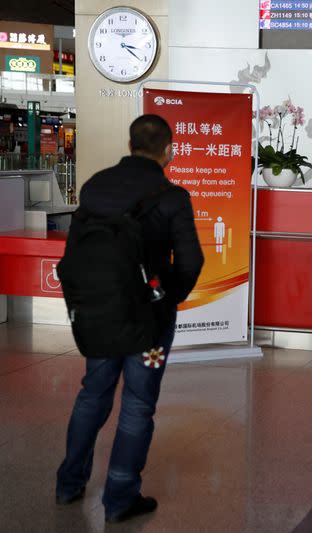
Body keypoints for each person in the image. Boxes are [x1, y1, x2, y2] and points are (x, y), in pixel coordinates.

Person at [55, 115, 204, 522]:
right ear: (169, 150)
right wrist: (167, 300)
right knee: (137, 404)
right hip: (148, 323)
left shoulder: (94, 186)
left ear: (130, 143)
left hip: (97, 312)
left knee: (93, 393)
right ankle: (120, 499)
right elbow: (192, 262)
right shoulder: (172, 196)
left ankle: (69, 484)